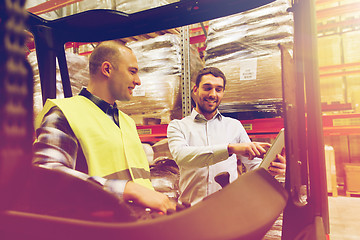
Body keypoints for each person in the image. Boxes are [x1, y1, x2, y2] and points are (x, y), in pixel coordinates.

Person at [33, 40, 175, 213]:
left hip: (134, 226)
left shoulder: (126, 122)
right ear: (107, 69)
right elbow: (46, 175)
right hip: (95, 229)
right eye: (132, 72)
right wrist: (127, 190)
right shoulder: (64, 114)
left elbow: (138, 182)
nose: (138, 81)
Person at [167, 67, 286, 205]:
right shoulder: (178, 126)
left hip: (228, 210)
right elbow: (182, 156)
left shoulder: (234, 126)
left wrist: (272, 169)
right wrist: (230, 149)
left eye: (218, 89)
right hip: (191, 210)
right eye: (207, 88)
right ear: (195, 90)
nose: (213, 94)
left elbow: (254, 166)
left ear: (223, 92)